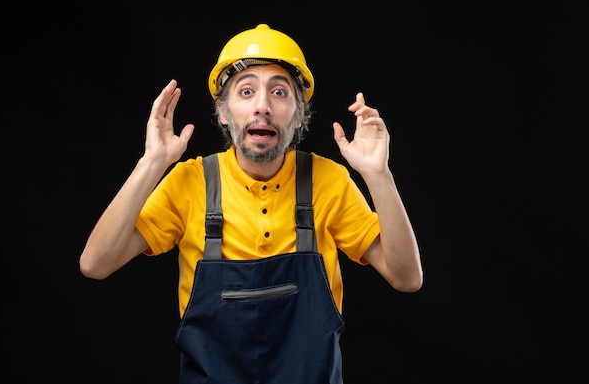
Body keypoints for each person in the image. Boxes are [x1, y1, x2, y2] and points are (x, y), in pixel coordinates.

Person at [80, 23, 423, 384]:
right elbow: (96, 264)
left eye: (279, 92)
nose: (263, 106)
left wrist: (378, 174)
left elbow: (407, 278)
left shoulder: (328, 181)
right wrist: (152, 163)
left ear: (299, 113)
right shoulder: (190, 182)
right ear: (224, 112)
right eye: (246, 92)